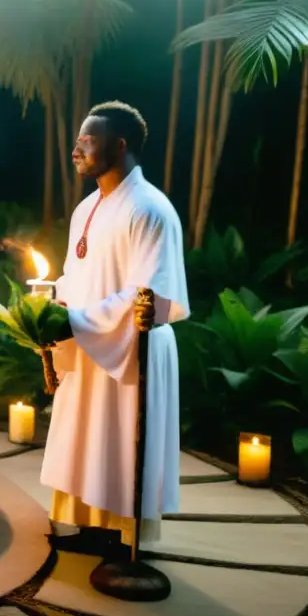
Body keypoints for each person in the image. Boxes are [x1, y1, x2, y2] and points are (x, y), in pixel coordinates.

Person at [41, 101, 189, 561]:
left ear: (119, 145)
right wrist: (51, 309)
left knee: (121, 441)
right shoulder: (88, 208)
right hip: (89, 344)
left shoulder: (150, 209)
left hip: (131, 349)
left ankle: (123, 537)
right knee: (89, 437)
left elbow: (146, 296)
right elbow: (76, 276)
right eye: (79, 139)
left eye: (88, 139)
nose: (77, 147)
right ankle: (90, 525)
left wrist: (76, 322)